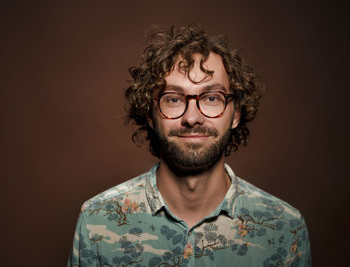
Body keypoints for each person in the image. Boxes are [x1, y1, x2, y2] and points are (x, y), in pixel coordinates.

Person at [67, 25, 311, 267]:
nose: (192, 118)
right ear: (150, 115)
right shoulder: (97, 220)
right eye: (173, 99)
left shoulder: (284, 228)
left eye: (212, 98)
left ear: (236, 113)